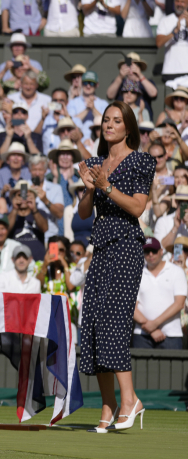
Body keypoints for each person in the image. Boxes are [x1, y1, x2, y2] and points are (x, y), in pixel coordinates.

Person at [77, 100, 155, 433]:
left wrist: (107, 185)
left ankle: (130, 400)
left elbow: (138, 208)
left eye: (116, 120)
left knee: (113, 320)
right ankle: (107, 406)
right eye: (106, 120)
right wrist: (91, 189)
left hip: (126, 246)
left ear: (128, 127)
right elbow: (83, 213)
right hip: (101, 246)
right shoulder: (94, 162)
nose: (109, 125)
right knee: (92, 322)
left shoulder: (141, 160)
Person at [133, 237, 186, 350]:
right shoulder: (136, 274)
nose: (151, 254)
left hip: (171, 334)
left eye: (154, 251)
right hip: (142, 335)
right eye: (147, 251)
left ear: (161, 251)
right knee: (141, 368)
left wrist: (154, 324)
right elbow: (131, 306)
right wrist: (151, 328)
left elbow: (179, 304)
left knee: (174, 368)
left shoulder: (176, 271)